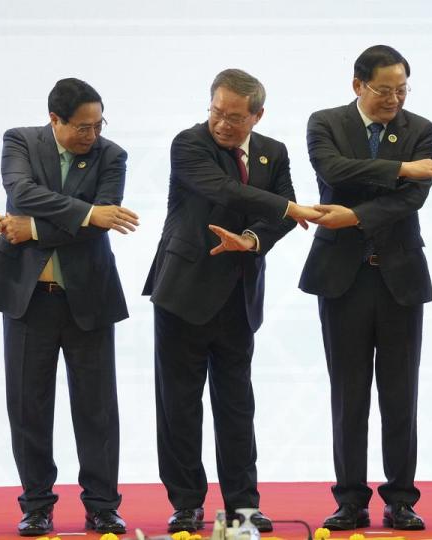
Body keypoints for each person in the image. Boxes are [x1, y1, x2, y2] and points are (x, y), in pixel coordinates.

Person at [143, 68, 320, 534]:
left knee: (237, 405)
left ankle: (243, 504)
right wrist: (285, 209)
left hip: (238, 296)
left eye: (235, 117)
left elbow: (283, 212)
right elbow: (224, 190)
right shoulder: (189, 143)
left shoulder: (273, 153)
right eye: (217, 112)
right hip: (182, 291)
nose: (223, 123)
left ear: (257, 115)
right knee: (179, 403)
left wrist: (251, 239)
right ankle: (186, 503)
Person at [298, 45, 432, 532]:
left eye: (401, 90)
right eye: (384, 89)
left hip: (399, 276)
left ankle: (401, 499)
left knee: (400, 392)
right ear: (357, 85)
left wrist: (358, 215)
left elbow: (412, 200)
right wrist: (401, 168)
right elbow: (333, 170)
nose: (394, 99)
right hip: (341, 277)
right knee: (348, 393)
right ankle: (350, 499)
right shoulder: (325, 122)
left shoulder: (420, 129)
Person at [0, 78, 136, 537]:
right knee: (28, 406)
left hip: (89, 296)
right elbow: (21, 193)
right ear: (55, 120)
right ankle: (37, 505)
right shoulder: (20, 141)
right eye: (82, 127)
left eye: (98, 124)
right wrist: (85, 212)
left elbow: (104, 221)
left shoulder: (113, 154)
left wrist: (39, 230)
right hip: (29, 298)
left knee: (97, 408)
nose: (92, 134)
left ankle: (103, 505)